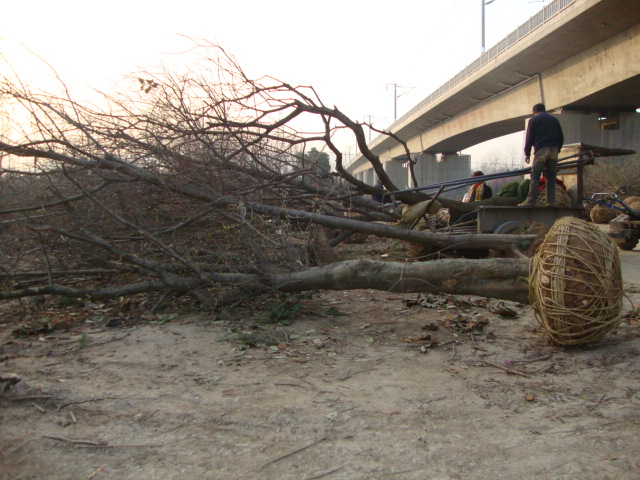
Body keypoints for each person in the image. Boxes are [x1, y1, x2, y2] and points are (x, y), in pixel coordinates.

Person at [519, 103, 564, 207]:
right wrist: (558, 149)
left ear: (534, 111)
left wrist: (527, 153)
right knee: (551, 177)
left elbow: (529, 138)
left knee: (535, 175)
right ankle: (550, 202)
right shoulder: (554, 120)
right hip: (554, 149)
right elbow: (561, 137)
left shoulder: (533, 120)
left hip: (541, 149)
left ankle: (531, 202)